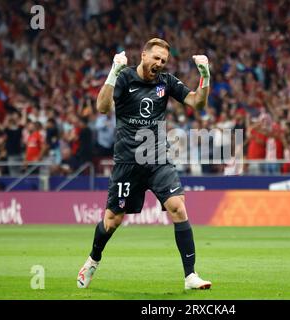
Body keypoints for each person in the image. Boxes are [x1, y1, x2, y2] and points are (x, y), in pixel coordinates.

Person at [77, 38, 212, 290]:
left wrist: (204, 75)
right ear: (143, 55)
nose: (159, 64)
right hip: (128, 162)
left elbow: (197, 102)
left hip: (157, 158)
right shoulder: (125, 78)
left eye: (164, 61)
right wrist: (113, 72)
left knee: (178, 207)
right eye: (156, 58)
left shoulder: (166, 82)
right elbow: (103, 107)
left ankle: (190, 276)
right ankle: (93, 259)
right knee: (112, 221)